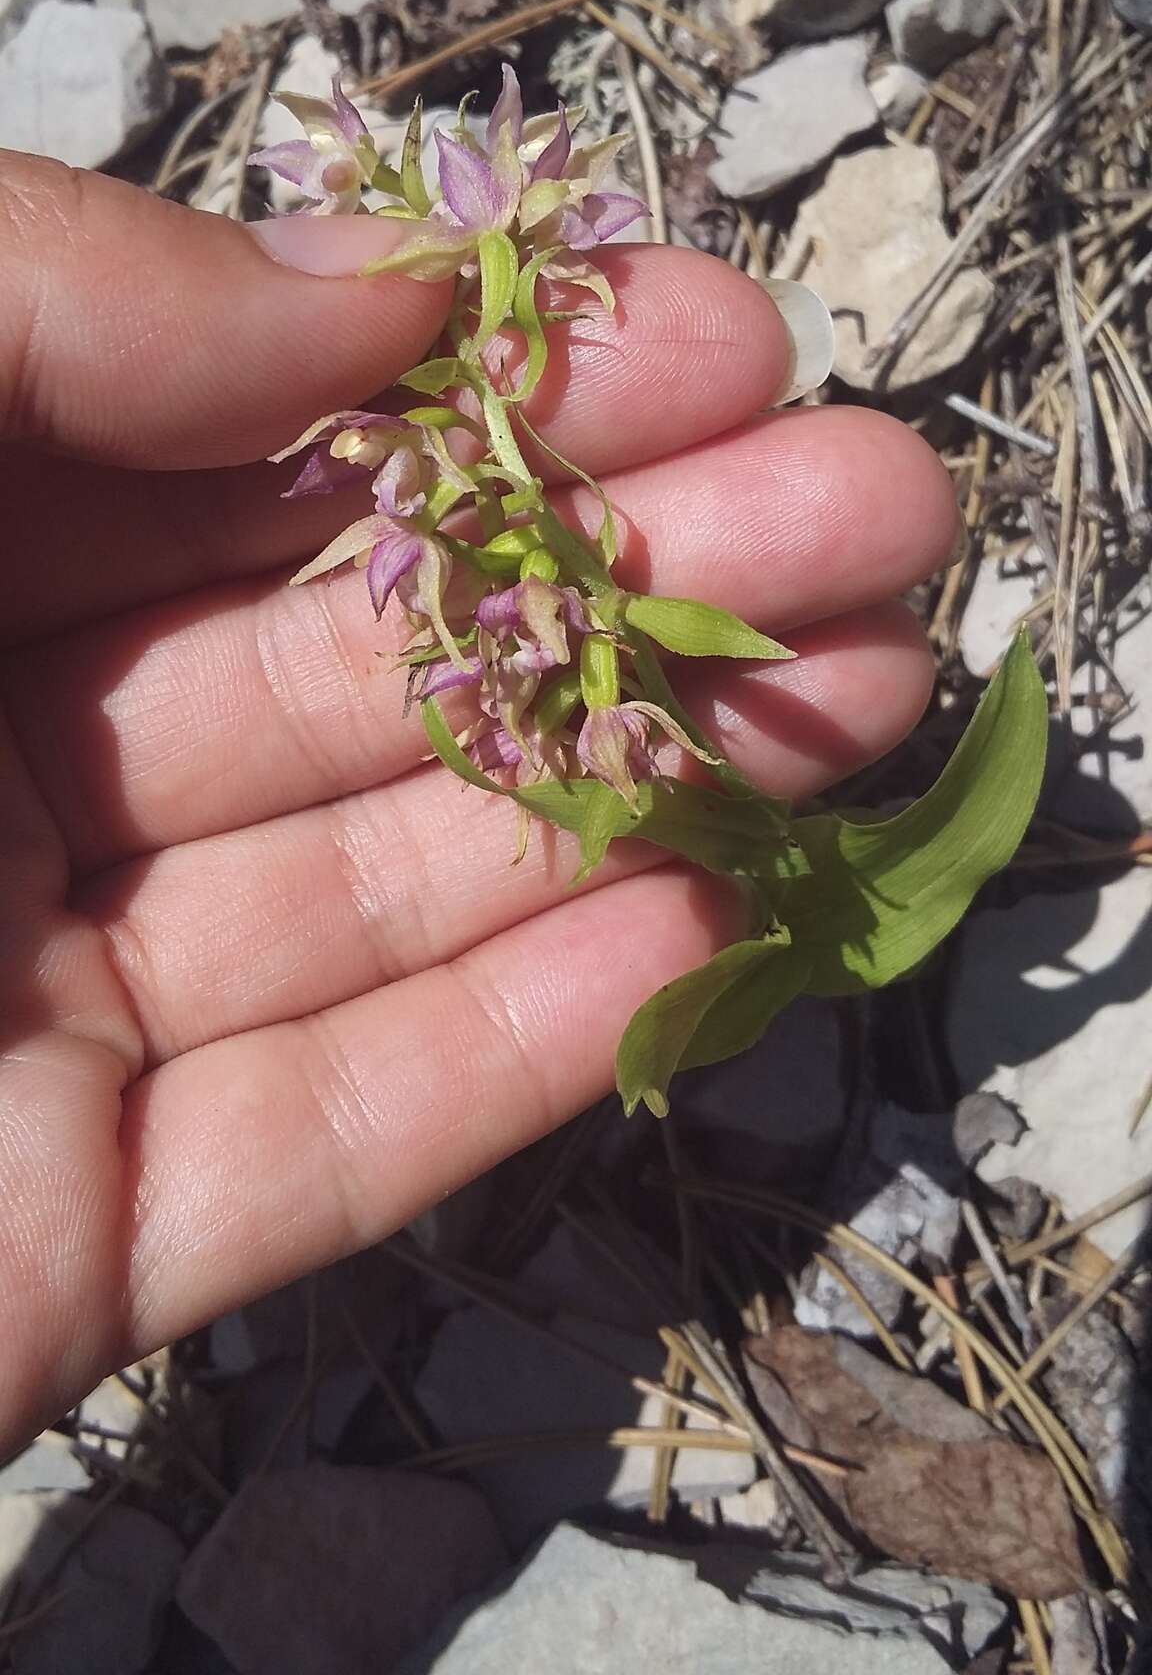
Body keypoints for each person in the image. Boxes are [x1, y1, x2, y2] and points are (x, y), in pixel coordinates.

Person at [0, 149, 957, 1458]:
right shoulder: (439, 505)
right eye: (381, 477)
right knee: (603, 809)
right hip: (504, 569)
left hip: (541, 569)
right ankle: (722, 875)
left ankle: (762, 874)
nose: (389, 488)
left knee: (701, 756)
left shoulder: (497, 453)